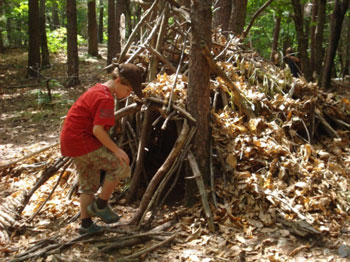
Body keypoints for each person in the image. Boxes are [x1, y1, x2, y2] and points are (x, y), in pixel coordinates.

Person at [60, 63, 143, 234]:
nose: (128, 95)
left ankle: (86, 225)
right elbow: (97, 130)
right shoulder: (105, 98)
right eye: (128, 90)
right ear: (119, 81)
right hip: (83, 141)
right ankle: (100, 205)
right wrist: (116, 150)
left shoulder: (98, 90)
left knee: (88, 183)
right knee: (121, 166)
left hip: (72, 142)